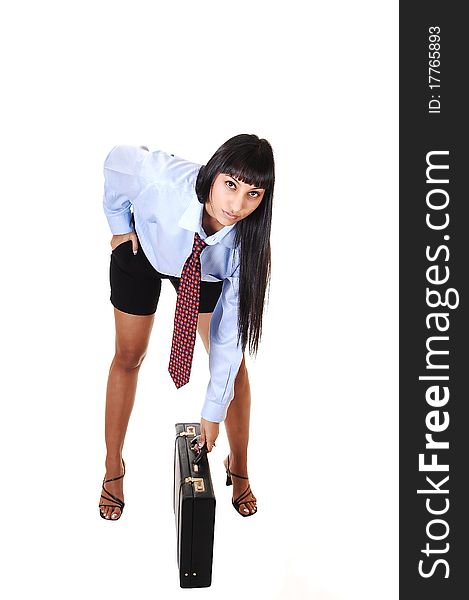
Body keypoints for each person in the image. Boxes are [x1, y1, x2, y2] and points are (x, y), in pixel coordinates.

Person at [98, 134, 275, 520]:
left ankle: (239, 467)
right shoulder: (162, 180)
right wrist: (117, 223)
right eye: (230, 185)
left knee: (234, 366)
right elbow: (116, 162)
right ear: (213, 174)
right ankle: (114, 468)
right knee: (128, 356)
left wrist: (211, 412)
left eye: (253, 194)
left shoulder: (246, 245)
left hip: (203, 270)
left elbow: (228, 338)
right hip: (142, 248)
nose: (237, 205)